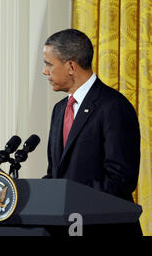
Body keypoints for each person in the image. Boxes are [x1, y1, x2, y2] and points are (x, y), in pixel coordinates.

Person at [42, 29, 142, 235]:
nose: (45, 71)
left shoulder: (114, 106)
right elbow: (55, 173)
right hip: (67, 228)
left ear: (71, 66)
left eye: (49, 64)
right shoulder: (59, 109)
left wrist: (71, 198)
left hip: (105, 229)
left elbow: (120, 179)